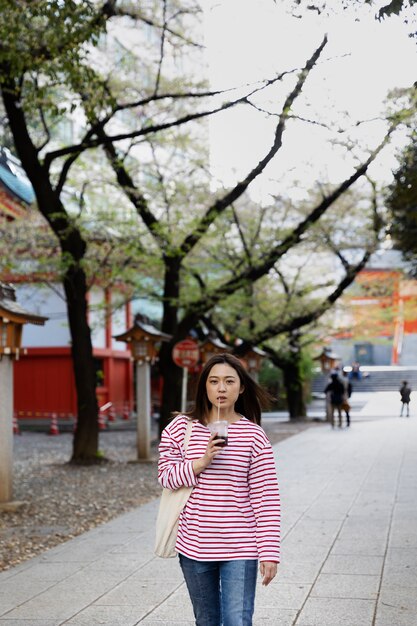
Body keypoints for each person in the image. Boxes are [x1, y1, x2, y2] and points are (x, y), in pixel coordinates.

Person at [158, 353, 280, 626]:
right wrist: (201, 462)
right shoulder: (181, 428)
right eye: (213, 381)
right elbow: (165, 477)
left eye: (229, 381)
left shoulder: (254, 436)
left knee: (238, 621)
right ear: (204, 386)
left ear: (242, 387)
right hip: (194, 544)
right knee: (207, 621)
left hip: (241, 545)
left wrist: (270, 551)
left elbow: (266, 497)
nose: (221, 388)